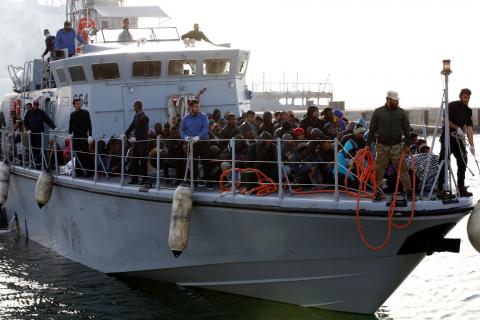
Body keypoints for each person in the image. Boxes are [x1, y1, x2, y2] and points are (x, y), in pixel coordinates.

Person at [366, 90, 412, 201]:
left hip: (397, 146)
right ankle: (378, 193)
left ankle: (409, 192)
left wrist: (407, 145)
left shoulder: (401, 113)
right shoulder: (378, 112)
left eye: (397, 101)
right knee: (378, 171)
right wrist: (367, 145)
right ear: (388, 100)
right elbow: (371, 129)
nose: (397, 102)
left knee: (403, 170)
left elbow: (407, 130)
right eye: (395, 101)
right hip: (382, 147)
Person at [437, 88, 475, 197]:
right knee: (443, 161)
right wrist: (456, 127)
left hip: (458, 139)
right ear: (461, 97)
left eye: (468, 97)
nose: (467, 99)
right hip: (447, 137)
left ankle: (461, 187)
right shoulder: (452, 105)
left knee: (463, 160)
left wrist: (472, 145)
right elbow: (444, 120)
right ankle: (440, 188)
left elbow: (469, 128)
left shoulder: (468, 111)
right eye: (465, 97)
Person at [180, 99, 209, 184]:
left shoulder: (203, 116)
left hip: (203, 142)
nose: (198, 108)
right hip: (192, 143)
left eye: (199, 106)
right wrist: (185, 137)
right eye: (196, 107)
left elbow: (205, 128)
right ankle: (194, 183)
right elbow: (182, 130)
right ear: (191, 107)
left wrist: (198, 137)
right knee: (193, 164)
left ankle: (209, 183)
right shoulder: (185, 118)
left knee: (206, 162)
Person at [24, 100, 56, 168]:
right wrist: (28, 129)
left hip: (39, 133)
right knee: (33, 146)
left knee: (38, 146)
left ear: (38, 105)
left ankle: (37, 160)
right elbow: (25, 121)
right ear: (33, 105)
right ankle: (33, 161)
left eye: (37, 104)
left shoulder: (41, 113)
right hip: (32, 132)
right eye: (35, 104)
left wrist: (54, 127)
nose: (36, 106)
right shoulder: (29, 112)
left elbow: (47, 120)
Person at [125, 101, 150, 185]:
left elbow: (144, 131)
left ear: (137, 106)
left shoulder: (144, 117)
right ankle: (134, 178)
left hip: (143, 142)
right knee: (134, 159)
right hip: (136, 142)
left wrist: (135, 138)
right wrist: (125, 133)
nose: (133, 107)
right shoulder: (136, 116)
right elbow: (132, 126)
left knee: (143, 161)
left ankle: (145, 178)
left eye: (134, 106)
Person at [68, 98, 93, 177]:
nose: (78, 105)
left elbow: (89, 125)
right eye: (77, 104)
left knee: (85, 154)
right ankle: (78, 171)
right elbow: (70, 126)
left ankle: (87, 171)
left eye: (79, 103)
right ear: (74, 105)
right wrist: (70, 134)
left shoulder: (86, 113)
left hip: (83, 136)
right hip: (76, 137)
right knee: (76, 154)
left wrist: (90, 135)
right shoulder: (72, 114)